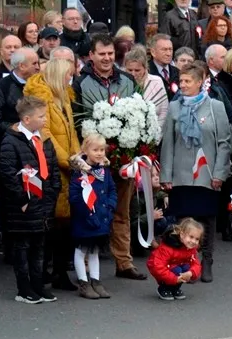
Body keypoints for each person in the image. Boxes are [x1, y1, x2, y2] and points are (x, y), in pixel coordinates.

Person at [74, 34, 142, 281]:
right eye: (101, 54)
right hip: (93, 160)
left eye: (110, 54)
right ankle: (86, 266)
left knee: (122, 211)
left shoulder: (127, 80)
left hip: (123, 157)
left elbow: (139, 114)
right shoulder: (80, 83)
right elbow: (77, 121)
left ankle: (124, 262)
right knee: (90, 209)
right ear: (91, 55)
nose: (106, 58)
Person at [160, 62, 231, 283]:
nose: (182, 85)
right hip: (181, 174)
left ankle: (206, 260)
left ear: (200, 82)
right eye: (181, 81)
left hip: (207, 173)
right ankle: (185, 263)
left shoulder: (215, 107)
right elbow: (168, 143)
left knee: (207, 219)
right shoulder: (175, 107)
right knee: (183, 221)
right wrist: (166, 175)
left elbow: (224, 142)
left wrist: (219, 173)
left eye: (187, 81)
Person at [24, 56, 81, 291]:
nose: (71, 79)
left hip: (68, 169)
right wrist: (69, 160)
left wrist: (78, 157)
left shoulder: (64, 98)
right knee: (52, 226)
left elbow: (71, 133)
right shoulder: (43, 100)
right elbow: (45, 135)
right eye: (68, 75)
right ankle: (45, 272)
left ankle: (59, 271)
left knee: (63, 226)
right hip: (52, 169)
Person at [0, 95, 60, 303]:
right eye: (41, 116)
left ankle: (38, 285)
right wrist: (22, 200)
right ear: (26, 119)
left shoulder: (44, 140)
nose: (45, 120)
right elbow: (7, 173)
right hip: (23, 206)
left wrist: (52, 194)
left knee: (39, 248)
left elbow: (52, 170)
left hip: (43, 203)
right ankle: (24, 289)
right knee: (23, 248)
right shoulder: (11, 141)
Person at [69, 134, 117, 300]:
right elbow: (75, 197)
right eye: (95, 150)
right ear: (85, 150)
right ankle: (84, 282)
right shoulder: (79, 172)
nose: (99, 153)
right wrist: (88, 213)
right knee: (81, 250)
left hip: (102, 217)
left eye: (102, 150)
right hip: (85, 218)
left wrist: (110, 206)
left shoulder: (104, 170)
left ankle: (96, 281)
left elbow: (111, 190)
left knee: (95, 250)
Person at [147, 218, 203, 300]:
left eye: (197, 239)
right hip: (157, 266)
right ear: (182, 235)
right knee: (178, 270)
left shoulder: (190, 248)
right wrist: (174, 279)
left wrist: (191, 273)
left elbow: (196, 264)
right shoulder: (168, 247)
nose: (193, 241)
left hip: (173, 267)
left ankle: (175, 288)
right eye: (191, 237)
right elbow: (157, 266)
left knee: (186, 268)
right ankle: (163, 288)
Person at [0, 47, 40, 133]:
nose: (38, 67)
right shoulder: (1, 88)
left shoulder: (41, 84)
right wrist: (16, 128)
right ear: (21, 66)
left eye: (38, 63)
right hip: (14, 138)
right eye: (34, 64)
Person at [124, 47, 169, 129]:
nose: (133, 74)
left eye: (137, 70)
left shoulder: (156, 81)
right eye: (130, 70)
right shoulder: (120, 83)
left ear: (145, 68)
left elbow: (164, 110)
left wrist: (155, 132)